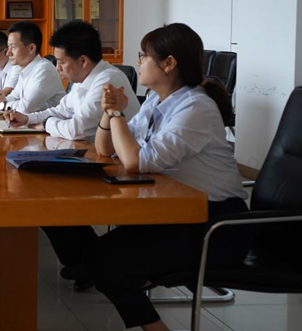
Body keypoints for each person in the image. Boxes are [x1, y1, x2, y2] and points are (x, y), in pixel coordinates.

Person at [47, 23, 249, 331]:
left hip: (216, 225)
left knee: (105, 260)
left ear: (169, 64)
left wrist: (117, 114)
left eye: (144, 56)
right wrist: (109, 112)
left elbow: (135, 162)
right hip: (175, 211)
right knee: (91, 254)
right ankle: (135, 285)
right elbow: (106, 149)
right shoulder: (156, 100)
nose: (138, 62)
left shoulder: (196, 107)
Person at [3, 21, 139, 140]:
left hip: (118, 158)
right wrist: (26, 118)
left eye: (61, 62)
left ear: (83, 61)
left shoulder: (107, 81)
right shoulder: (82, 79)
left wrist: (46, 124)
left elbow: (78, 129)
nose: (57, 68)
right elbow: (60, 111)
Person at [0, 21, 65, 112]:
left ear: (31, 48)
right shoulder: (24, 69)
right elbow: (15, 96)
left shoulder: (44, 70)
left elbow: (25, 107)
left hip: (49, 120)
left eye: (13, 47)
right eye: (8, 47)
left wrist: (2, 105)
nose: (8, 53)